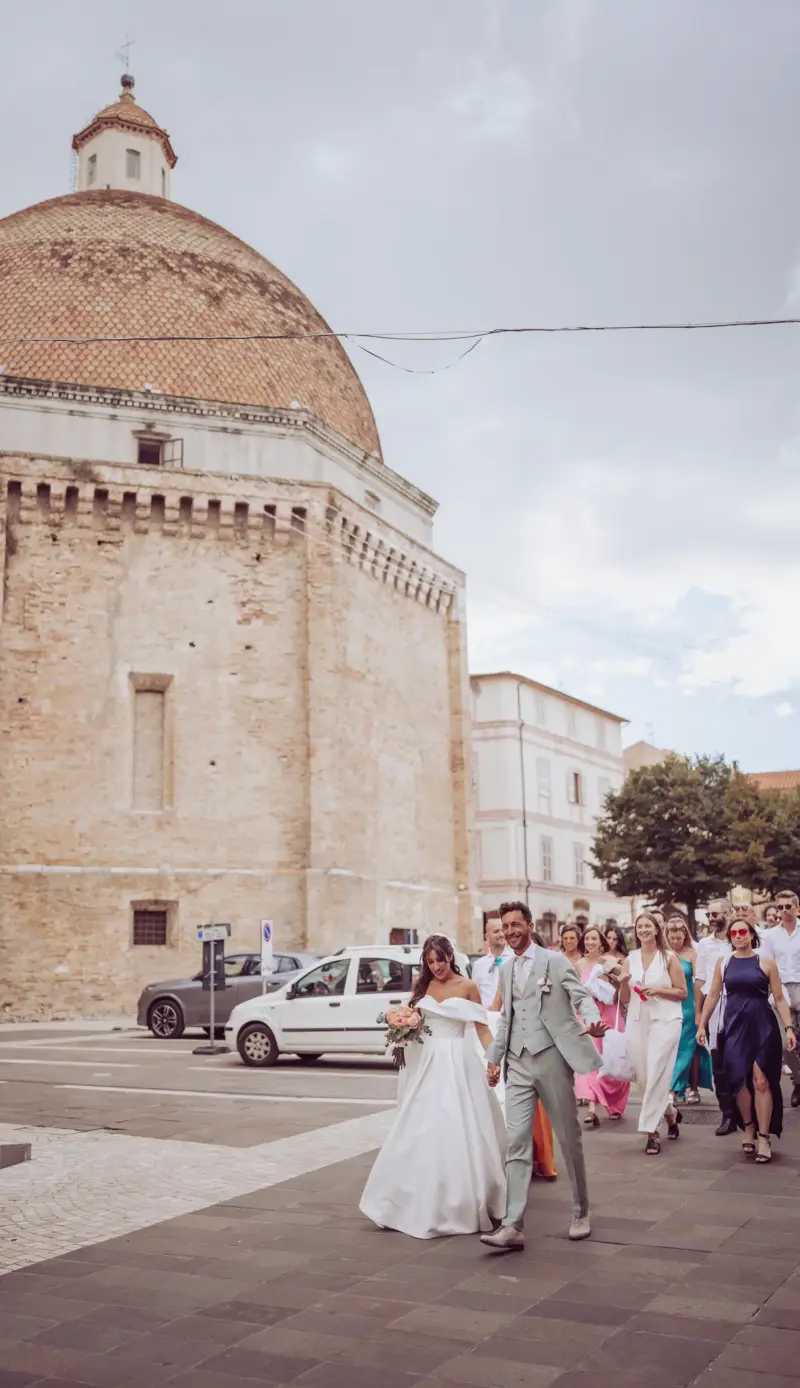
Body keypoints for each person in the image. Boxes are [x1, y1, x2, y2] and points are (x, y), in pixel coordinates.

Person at [359, 934, 505, 1238]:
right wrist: (403, 1030)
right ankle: (403, 1200)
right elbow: (418, 1026)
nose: (436, 966)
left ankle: (462, 1200)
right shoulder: (423, 987)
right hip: (427, 1061)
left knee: (459, 1124)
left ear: (451, 956)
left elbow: (481, 1028)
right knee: (420, 1126)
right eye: (430, 961)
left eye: (441, 959)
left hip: (458, 1060)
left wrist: (494, 1060)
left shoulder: (468, 987)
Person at [480, 901, 607, 1251]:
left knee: (568, 1138)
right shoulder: (505, 969)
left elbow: (580, 997)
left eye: (515, 924)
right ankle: (512, 1225)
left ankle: (581, 1211)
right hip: (517, 1064)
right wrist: (494, 1057)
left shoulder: (554, 961)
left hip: (551, 1057)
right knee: (517, 1142)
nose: (510, 931)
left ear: (530, 926)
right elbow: (507, 1015)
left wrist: (592, 1022)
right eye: (505, 926)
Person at [698, 918, 796, 1163]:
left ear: (752, 935)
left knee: (762, 1081)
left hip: (763, 1025)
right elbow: (712, 995)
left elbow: (780, 998)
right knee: (739, 1080)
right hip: (734, 1027)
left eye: (743, 931)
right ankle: (749, 1128)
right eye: (734, 933)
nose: (738, 936)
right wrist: (701, 1024)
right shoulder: (725, 963)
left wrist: (789, 1028)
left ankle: (764, 1136)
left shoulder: (766, 963)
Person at [618, 912, 686, 1155]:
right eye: (639, 926)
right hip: (637, 1020)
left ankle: (651, 1132)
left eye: (648, 926)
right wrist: (623, 983)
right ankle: (670, 1113)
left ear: (657, 929)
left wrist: (657, 990)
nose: (643, 930)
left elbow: (682, 992)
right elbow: (625, 1000)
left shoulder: (668, 958)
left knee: (657, 1069)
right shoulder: (630, 959)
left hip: (666, 1019)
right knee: (645, 1079)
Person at [574, 926, 629, 1126]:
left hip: (609, 1012)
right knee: (588, 1058)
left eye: (594, 939)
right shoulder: (578, 965)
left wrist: (608, 980)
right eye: (587, 939)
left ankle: (614, 1104)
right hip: (586, 1014)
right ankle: (591, 1107)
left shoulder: (610, 961)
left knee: (611, 1058)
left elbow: (621, 987)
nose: (590, 943)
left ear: (601, 942)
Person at [695, 899, 735, 1135]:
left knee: (740, 1062)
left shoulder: (739, 938)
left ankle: (745, 1112)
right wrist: (700, 1015)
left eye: (715, 914)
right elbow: (700, 979)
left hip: (738, 1007)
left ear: (728, 914)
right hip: (713, 1010)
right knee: (718, 1065)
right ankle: (727, 1114)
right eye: (708, 914)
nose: (711, 918)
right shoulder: (704, 945)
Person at [759, 889, 800, 1108]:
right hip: (780, 990)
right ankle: (798, 1080)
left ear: (797, 907)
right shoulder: (770, 936)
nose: (784, 911)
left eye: (788, 906)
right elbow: (767, 963)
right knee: (787, 1044)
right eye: (780, 907)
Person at [666, 912, 712, 1106]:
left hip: (688, 1006)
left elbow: (698, 982)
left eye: (679, 937)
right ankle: (686, 1088)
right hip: (668, 1005)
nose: (675, 941)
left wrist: (699, 1010)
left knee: (687, 1048)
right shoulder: (663, 953)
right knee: (674, 1049)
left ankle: (674, 1090)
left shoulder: (693, 954)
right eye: (671, 937)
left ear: (685, 935)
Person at [472, 918, 512, 1009]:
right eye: (496, 931)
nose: (501, 934)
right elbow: (475, 994)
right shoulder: (479, 965)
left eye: (503, 930)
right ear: (487, 936)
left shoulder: (515, 960)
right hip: (486, 1018)